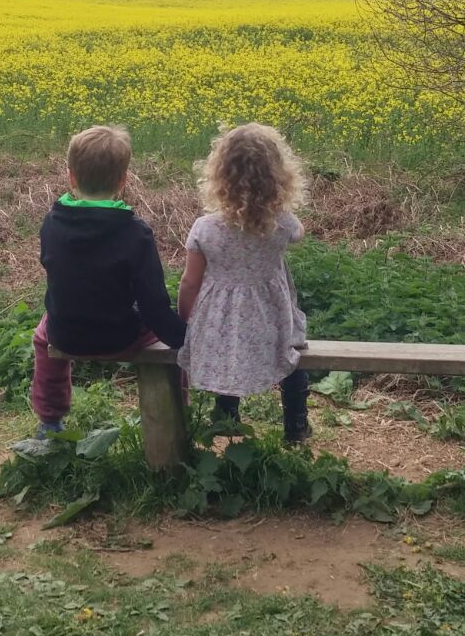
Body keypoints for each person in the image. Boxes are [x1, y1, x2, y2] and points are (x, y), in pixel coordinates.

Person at [31, 125, 186, 438]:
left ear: (71, 177)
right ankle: (179, 410)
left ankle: (49, 422)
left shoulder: (51, 223)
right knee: (171, 347)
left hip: (66, 334)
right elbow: (154, 308)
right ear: (122, 181)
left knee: (41, 338)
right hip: (120, 336)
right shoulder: (135, 233)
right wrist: (186, 339)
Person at [176, 123, 312, 445]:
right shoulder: (281, 223)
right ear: (278, 176)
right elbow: (300, 234)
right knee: (291, 355)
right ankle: (296, 425)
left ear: (219, 174)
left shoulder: (205, 228)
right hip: (272, 318)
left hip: (221, 321)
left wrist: (185, 320)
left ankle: (225, 417)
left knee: (227, 351)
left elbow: (190, 282)